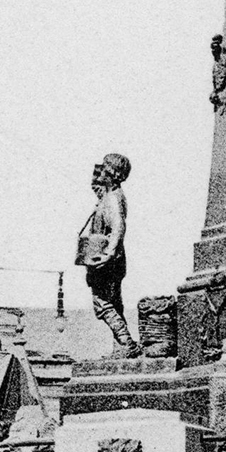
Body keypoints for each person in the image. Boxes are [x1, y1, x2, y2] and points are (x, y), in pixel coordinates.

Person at [80, 153, 141, 357]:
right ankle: (121, 348)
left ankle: (127, 344)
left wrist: (108, 253)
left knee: (102, 304)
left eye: (105, 169)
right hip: (112, 260)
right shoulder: (111, 194)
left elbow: (118, 227)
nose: (101, 172)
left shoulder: (113, 198)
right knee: (114, 303)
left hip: (106, 261)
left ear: (112, 173)